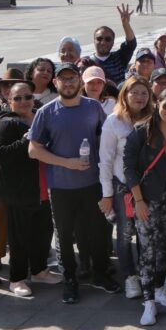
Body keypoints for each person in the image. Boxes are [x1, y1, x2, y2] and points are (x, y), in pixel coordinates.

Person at [28, 62, 119, 304]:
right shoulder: (46, 112)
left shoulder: (93, 108)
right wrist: (65, 163)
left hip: (92, 184)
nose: (68, 83)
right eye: (63, 79)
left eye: (72, 78)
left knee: (98, 232)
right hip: (61, 187)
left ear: (79, 81)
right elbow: (33, 150)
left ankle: (101, 274)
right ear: (55, 83)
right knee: (65, 236)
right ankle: (70, 280)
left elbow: (104, 141)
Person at [125, 87, 166, 326]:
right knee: (148, 250)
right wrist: (140, 201)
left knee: (165, 248)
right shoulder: (140, 133)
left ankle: (159, 288)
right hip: (146, 198)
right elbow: (129, 169)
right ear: (157, 104)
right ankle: (148, 303)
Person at [0, 81, 59, 298]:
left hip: (44, 187)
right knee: (19, 238)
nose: (23, 102)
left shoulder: (40, 117)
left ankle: (39, 270)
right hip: (20, 192)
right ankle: (17, 278)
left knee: (43, 232)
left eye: (27, 97)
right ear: (9, 101)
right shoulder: (7, 124)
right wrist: (23, 142)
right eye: (17, 98)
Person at [100, 75, 155, 300]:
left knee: (146, 233)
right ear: (125, 95)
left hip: (147, 186)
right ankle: (130, 276)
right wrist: (106, 194)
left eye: (144, 93)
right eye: (135, 92)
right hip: (122, 186)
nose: (140, 97)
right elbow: (105, 159)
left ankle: (147, 273)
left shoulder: (154, 118)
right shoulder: (114, 121)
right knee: (124, 234)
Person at [86, 5, 138, 85]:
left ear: (113, 42)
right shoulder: (86, 62)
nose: (103, 42)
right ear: (94, 41)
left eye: (108, 39)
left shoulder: (119, 58)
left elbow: (131, 44)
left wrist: (125, 24)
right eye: (99, 39)